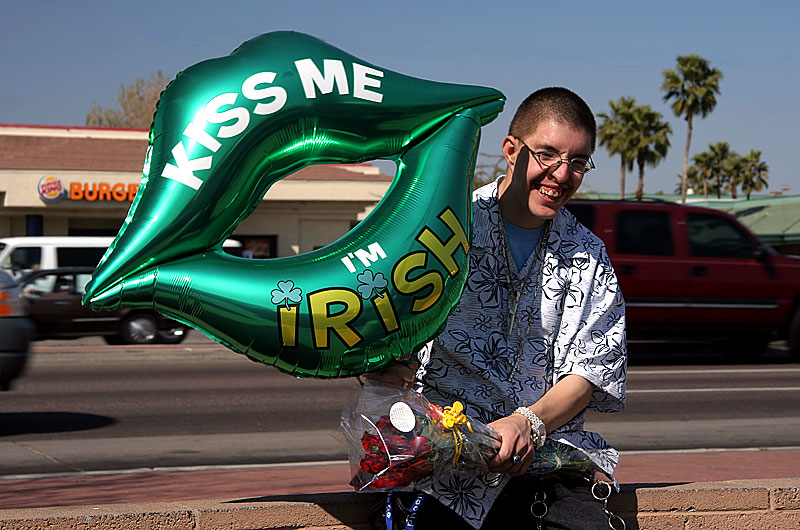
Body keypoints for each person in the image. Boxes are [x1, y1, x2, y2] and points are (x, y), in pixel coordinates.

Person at [366, 87, 627, 529]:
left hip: (546, 467)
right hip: (442, 470)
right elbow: (380, 330)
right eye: (547, 155)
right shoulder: (443, 230)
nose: (561, 175)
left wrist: (529, 422)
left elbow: (591, 370)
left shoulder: (588, 254)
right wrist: (385, 372)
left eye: (577, 162)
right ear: (511, 149)